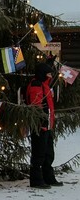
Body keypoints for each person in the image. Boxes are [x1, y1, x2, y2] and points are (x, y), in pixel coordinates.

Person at [26, 60, 62, 188]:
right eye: (48, 74)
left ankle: (48, 177)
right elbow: (36, 105)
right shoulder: (36, 85)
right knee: (39, 154)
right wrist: (41, 122)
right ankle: (36, 180)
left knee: (48, 153)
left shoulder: (44, 85)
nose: (51, 76)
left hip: (47, 124)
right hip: (40, 125)